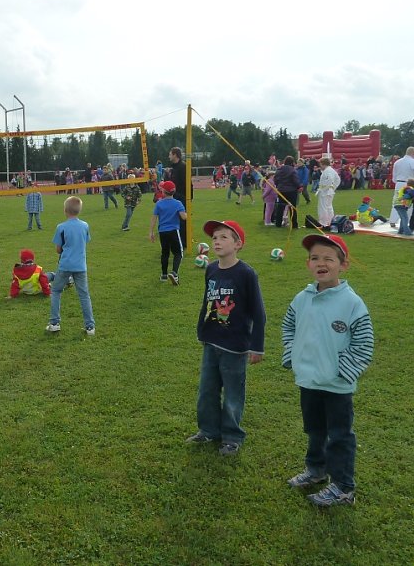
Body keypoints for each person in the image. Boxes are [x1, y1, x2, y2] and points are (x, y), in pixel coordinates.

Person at [282, 234, 373, 507]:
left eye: (328, 259)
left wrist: (343, 370)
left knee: (339, 435)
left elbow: (364, 341)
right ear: (308, 264)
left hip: (336, 385)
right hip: (308, 380)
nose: (321, 263)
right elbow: (288, 327)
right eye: (315, 258)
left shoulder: (351, 303)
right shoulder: (302, 298)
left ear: (343, 265)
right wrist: (292, 355)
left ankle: (343, 486)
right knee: (315, 430)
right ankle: (316, 470)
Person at [187, 220, 265, 457]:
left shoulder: (246, 274)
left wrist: (257, 346)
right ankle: (208, 430)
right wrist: (202, 329)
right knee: (207, 390)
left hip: (235, 345)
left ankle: (232, 436)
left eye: (223, 237)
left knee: (233, 392)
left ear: (238, 244)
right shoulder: (211, 269)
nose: (217, 242)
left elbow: (258, 312)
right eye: (214, 238)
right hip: (211, 341)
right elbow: (207, 303)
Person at [46, 196, 95, 335]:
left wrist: (63, 249)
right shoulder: (85, 225)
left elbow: (58, 249)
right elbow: (85, 241)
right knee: (84, 295)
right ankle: (90, 326)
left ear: (65, 210)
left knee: (56, 292)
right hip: (80, 265)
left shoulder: (61, 227)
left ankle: (54, 323)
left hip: (65, 264)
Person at [149, 181, 188, 284]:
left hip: (162, 232)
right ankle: (174, 273)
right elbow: (183, 217)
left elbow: (153, 219)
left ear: (163, 191)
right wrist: (186, 213)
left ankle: (164, 275)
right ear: (174, 191)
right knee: (178, 253)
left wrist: (151, 232)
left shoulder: (159, 203)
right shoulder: (178, 203)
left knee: (165, 253)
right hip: (174, 231)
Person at [388, 146, 414, 227]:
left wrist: (397, 181)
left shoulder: (397, 162)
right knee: (410, 203)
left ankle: (392, 221)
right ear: (413, 153)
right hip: (410, 184)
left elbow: (394, 176)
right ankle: (411, 221)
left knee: (396, 201)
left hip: (399, 183)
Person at [167, 147, 189, 248]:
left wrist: (188, 198)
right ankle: (178, 241)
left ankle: (183, 243)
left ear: (175, 155)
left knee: (182, 221)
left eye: (170, 154)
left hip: (181, 198)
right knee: (174, 220)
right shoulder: (173, 168)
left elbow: (188, 184)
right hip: (174, 198)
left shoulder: (183, 167)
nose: (169, 156)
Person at [272, 156, 301, 228]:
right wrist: (299, 186)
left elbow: (275, 179)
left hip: (281, 190)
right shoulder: (292, 170)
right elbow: (295, 180)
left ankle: (278, 224)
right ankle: (294, 225)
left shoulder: (279, 169)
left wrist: (278, 186)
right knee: (293, 208)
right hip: (291, 191)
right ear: (292, 162)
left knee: (280, 207)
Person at [315, 157, 340, 227]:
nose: (320, 166)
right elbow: (338, 179)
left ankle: (323, 222)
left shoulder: (328, 171)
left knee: (323, 207)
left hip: (325, 192)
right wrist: (333, 188)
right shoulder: (331, 170)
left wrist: (325, 189)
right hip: (329, 191)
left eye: (320, 164)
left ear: (323, 164)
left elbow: (330, 180)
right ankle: (330, 221)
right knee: (328, 207)